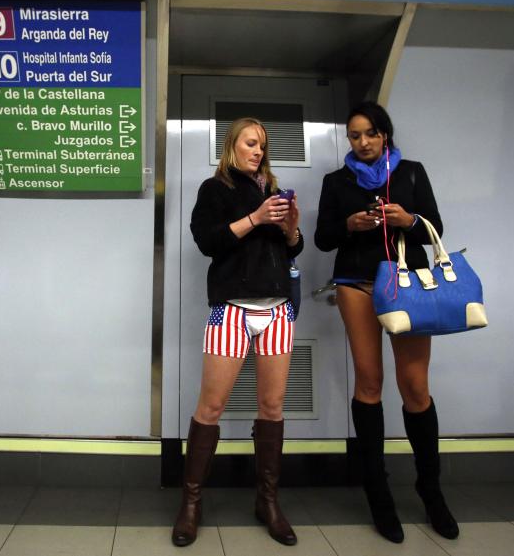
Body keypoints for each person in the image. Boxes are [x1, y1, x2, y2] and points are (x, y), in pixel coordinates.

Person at [314, 101, 458, 543]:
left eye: (370, 134)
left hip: (408, 283)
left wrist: (408, 219)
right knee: (369, 384)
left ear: (385, 134)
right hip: (356, 283)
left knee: (415, 388)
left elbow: (435, 228)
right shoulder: (336, 181)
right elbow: (322, 239)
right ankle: (379, 496)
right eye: (355, 136)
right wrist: (351, 224)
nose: (363, 143)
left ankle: (430, 490)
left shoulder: (411, 171)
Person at [172, 117, 303, 547]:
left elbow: (291, 247)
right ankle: (191, 503)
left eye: (263, 145)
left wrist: (290, 227)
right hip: (230, 309)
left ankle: (267, 501)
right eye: (251, 143)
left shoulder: (271, 189)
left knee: (272, 405)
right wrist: (256, 216)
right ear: (233, 146)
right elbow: (207, 240)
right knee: (210, 406)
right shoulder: (216, 190)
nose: (258, 151)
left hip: (277, 309)